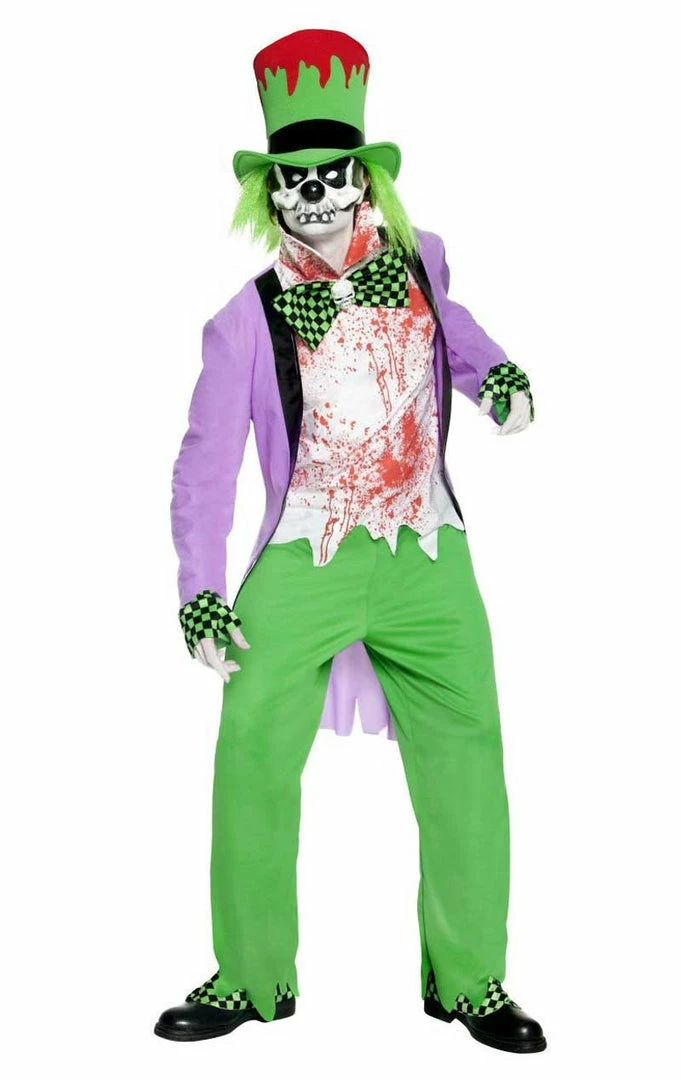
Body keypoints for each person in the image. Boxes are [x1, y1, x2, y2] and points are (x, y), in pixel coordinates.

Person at [155, 28, 546, 1054]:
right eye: (294, 181)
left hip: (428, 551)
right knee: (250, 751)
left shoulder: (421, 263)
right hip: (303, 559)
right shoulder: (245, 319)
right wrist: (200, 588)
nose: (315, 195)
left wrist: (496, 375)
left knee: (468, 757)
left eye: (332, 174)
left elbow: (453, 331)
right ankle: (250, 976)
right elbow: (203, 464)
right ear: (271, 195)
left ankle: (470, 978)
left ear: (363, 179)